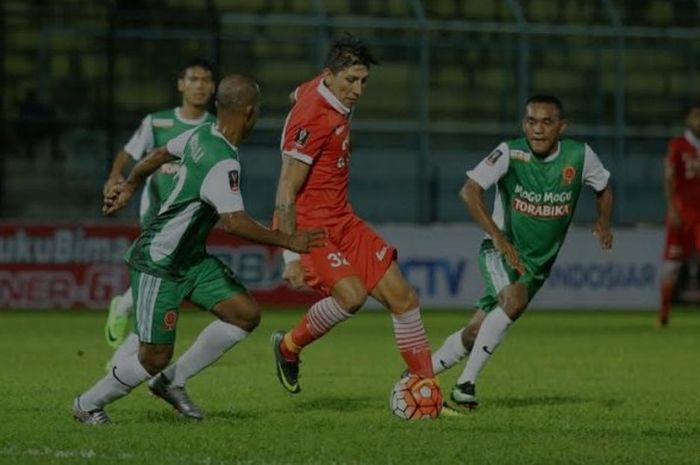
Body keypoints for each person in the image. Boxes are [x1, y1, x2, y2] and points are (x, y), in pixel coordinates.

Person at [72, 74, 326, 424]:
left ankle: (171, 382)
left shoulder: (202, 134)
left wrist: (131, 184)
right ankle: (87, 405)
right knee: (153, 356)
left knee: (244, 314)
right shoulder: (222, 161)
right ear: (249, 113)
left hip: (190, 260)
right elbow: (234, 222)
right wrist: (289, 241)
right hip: (159, 262)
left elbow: (159, 153)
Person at [271, 33, 436, 395]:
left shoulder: (321, 89)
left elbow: (297, 92)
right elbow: (286, 187)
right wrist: (291, 253)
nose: (358, 90)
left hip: (343, 218)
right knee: (352, 297)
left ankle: (426, 390)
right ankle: (288, 348)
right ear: (329, 75)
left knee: (404, 299)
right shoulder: (313, 116)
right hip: (310, 226)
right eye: (351, 81)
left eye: (363, 81)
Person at [430, 95, 614, 409]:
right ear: (523, 125)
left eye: (546, 122)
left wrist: (603, 221)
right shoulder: (509, 151)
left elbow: (604, 187)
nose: (538, 130)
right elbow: (469, 191)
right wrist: (497, 236)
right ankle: (465, 386)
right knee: (514, 301)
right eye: (531, 121)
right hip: (501, 249)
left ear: (561, 127)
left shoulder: (580, 156)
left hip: (537, 265)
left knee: (475, 332)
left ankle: (417, 376)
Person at [103, 59, 216, 359]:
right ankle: (129, 355)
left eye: (206, 80)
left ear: (213, 86)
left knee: (162, 284)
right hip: (156, 213)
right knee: (164, 282)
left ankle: (125, 309)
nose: (200, 85)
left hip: (190, 216)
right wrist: (116, 176)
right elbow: (129, 153)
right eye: (194, 79)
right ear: (181, 84)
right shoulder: (158, 122)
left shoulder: (215, 127)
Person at [658, 102, 700, 327]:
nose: (699, 121)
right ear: (688, 120)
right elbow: (669, 178)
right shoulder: (677, 145)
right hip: (682, 213)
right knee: (672, 264)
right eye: (695, 116)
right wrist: (672, 208)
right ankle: (664, 313)